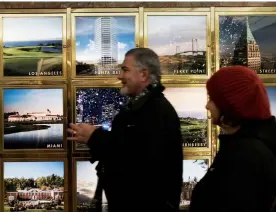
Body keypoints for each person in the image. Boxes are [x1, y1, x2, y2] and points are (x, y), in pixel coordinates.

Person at [67, 48, 183, 212]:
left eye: (125, 70)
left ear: (143, 75)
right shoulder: (142, 108)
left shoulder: (155, 111)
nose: (119, 76)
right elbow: (129, 146)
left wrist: (95, 137)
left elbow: (136, 162)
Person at [189, 65, 276, 212]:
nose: (207, 105)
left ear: (230, 106)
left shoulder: (245, 155)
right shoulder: (253, 146)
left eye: (212, 98)